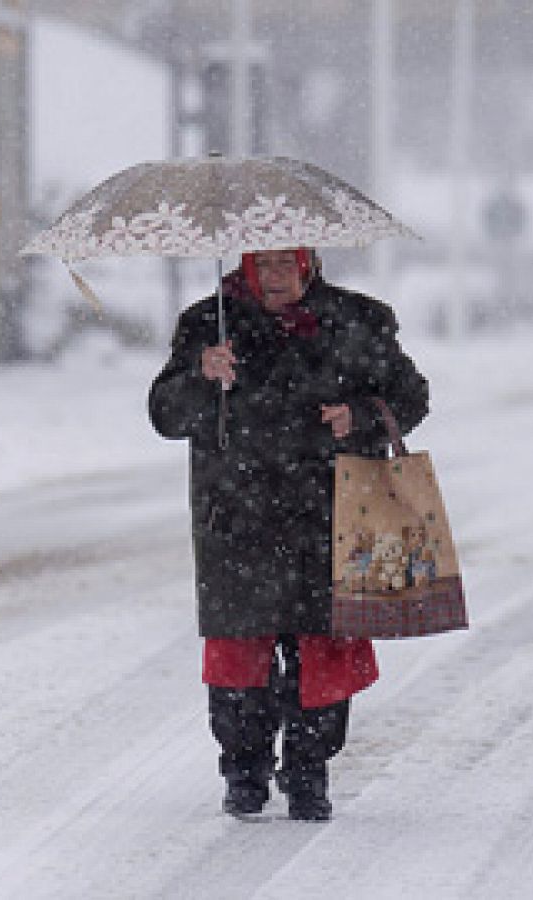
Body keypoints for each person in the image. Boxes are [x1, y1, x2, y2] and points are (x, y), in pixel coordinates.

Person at [149, 247, 430, 821]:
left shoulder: (358, 320)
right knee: (238, 652)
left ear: (309, 263)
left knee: (322, 649)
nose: (276, 277)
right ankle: (243, 770)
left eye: (288, 264)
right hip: (235, 517)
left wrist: (362, 416)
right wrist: (203, 375)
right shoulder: (209, 322)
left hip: (329, 512)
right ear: (245, 267)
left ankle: (309, 772)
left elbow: (412, 396)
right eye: (264, 265)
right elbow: (164, 414)